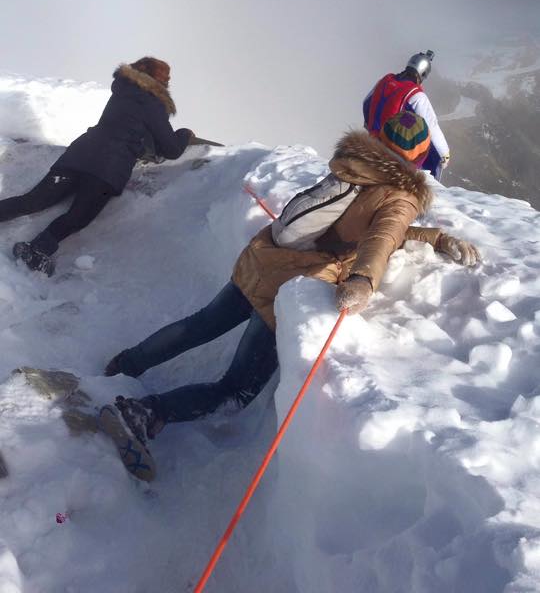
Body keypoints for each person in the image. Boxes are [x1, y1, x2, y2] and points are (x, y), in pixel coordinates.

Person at [100, 111, 479, 480]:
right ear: (418, 156)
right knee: (235, 390)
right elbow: (382, 237)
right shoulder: (401, 196)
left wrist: (432, 236)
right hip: (289, 284)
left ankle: (125, 365)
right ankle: (142, 413)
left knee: (200, 324)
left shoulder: (355, 165)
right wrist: (363, 280)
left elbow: (371, 228)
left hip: (261, 259)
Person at [1, 57, 195, 276]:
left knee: (34, 200)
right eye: (165, 76)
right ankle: (37, 249)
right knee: (78, 216)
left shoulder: (122, 92)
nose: (168, 80)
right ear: (156, 78)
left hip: (79, 155)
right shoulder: (153, 103)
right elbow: (170, 149)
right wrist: (184, 135)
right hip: (108, 167)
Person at [363, 49, 450, 179]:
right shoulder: (416, 95)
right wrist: (444, 154)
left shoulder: (386, 80)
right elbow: (432, 126)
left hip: (372, 140)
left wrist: (369, 125)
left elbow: (366, 102)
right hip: (393, 151)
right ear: (423, 74)